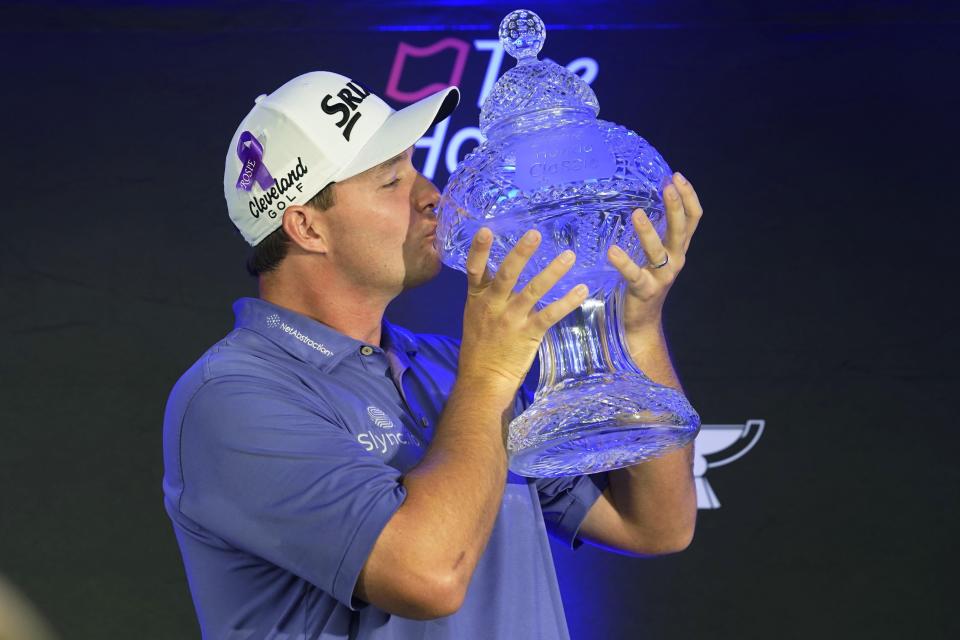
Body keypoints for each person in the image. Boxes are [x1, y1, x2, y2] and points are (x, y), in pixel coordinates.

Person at [162, 70, 702, 639]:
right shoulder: (229, 399)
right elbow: (429, 576)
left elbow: (657, 526)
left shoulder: (448, 369)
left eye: (417, 168)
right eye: (392, 181)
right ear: (306, 227)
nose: (431, 196)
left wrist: (631, 325)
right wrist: (490, 374)